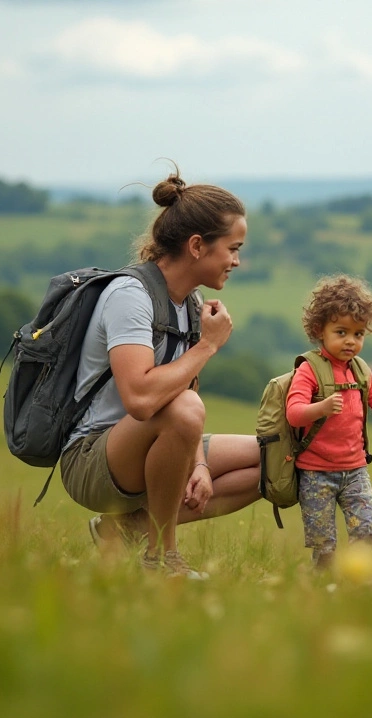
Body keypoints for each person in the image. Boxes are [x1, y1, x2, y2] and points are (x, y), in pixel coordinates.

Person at [59, 170, 261, 578]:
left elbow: (176, 399)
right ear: (197, 246)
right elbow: (141, 399)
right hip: (92, 458)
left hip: (152, 441)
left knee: (276, 458)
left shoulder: (189, 303)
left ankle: (124, 531)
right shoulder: (130, 296)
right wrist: (207, 345)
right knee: (186, 408)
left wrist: (199, 467)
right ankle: (161, 560)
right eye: (233, 248)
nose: (237, 261)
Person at [285, 275, 372, 569]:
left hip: (355, 471)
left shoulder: (361, 371)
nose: (351, 341)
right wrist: (320, 408)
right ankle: (323, 589)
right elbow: (294, 412)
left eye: (359, 334)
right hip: (315, 474)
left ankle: (362, 585)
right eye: (341, 332)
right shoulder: (309, 370)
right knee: (324, 545)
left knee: (367, 534)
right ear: (319, 330)